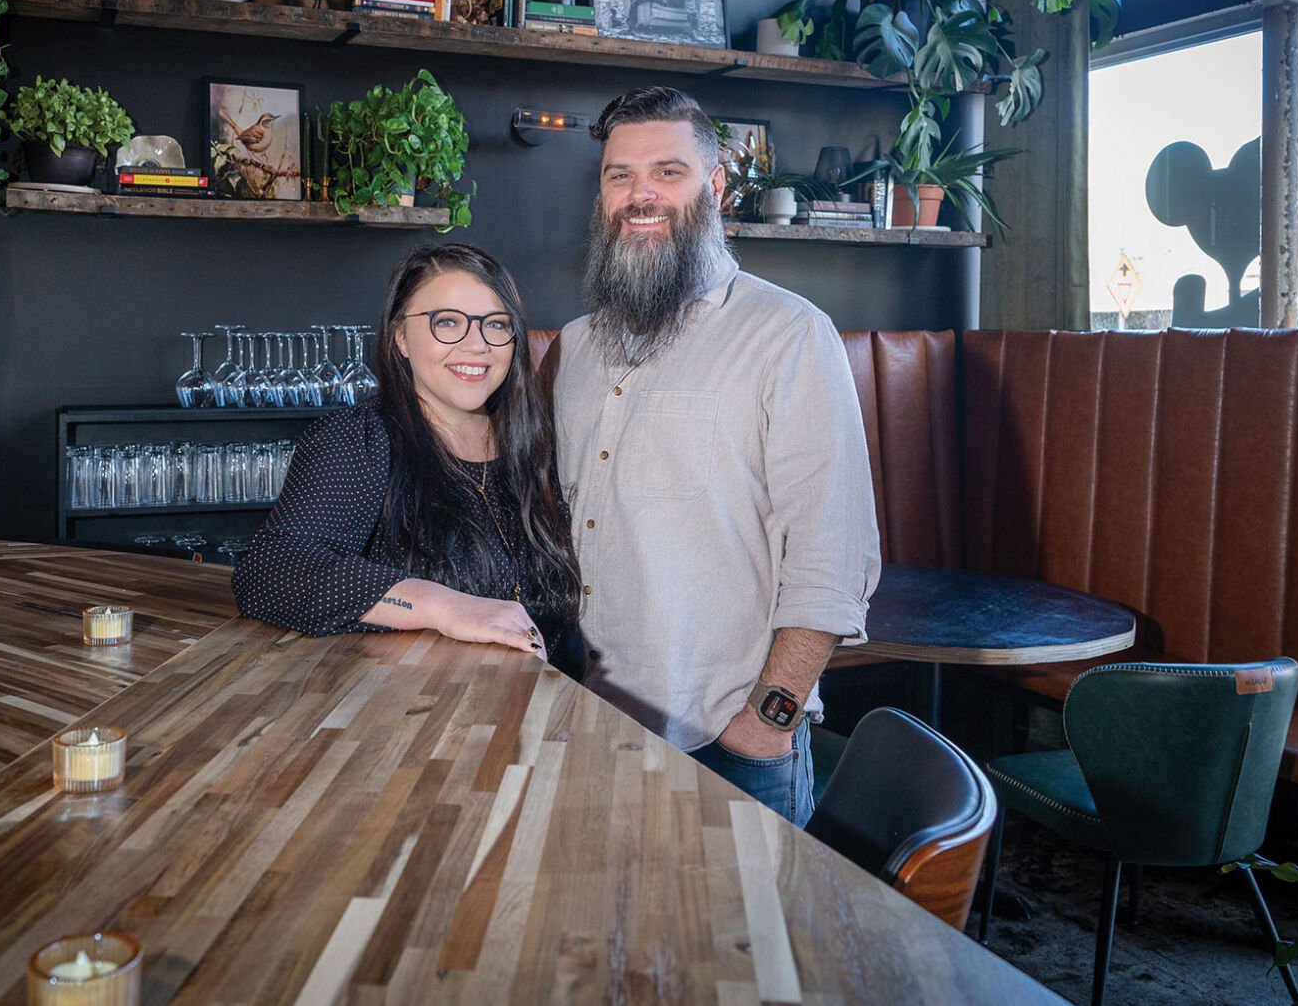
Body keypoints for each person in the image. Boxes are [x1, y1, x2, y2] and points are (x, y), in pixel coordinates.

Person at [544, 86, 881, 825]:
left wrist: (766, 725)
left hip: (724, 745)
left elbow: (833, 557)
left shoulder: (789, 335)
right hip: (581, 720)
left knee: (744, 942)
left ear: (716, 186)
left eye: (667, 172)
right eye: (619, 175)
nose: (640, 195)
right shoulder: (570, 347)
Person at [233, 244, 583, 677]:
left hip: (556, 718)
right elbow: (271, 572)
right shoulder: (360, 439)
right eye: (448, 322)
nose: (477, 345)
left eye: (496, 324)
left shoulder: (536, 445)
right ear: (400, 337)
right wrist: (441, 605)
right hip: (425, 720)